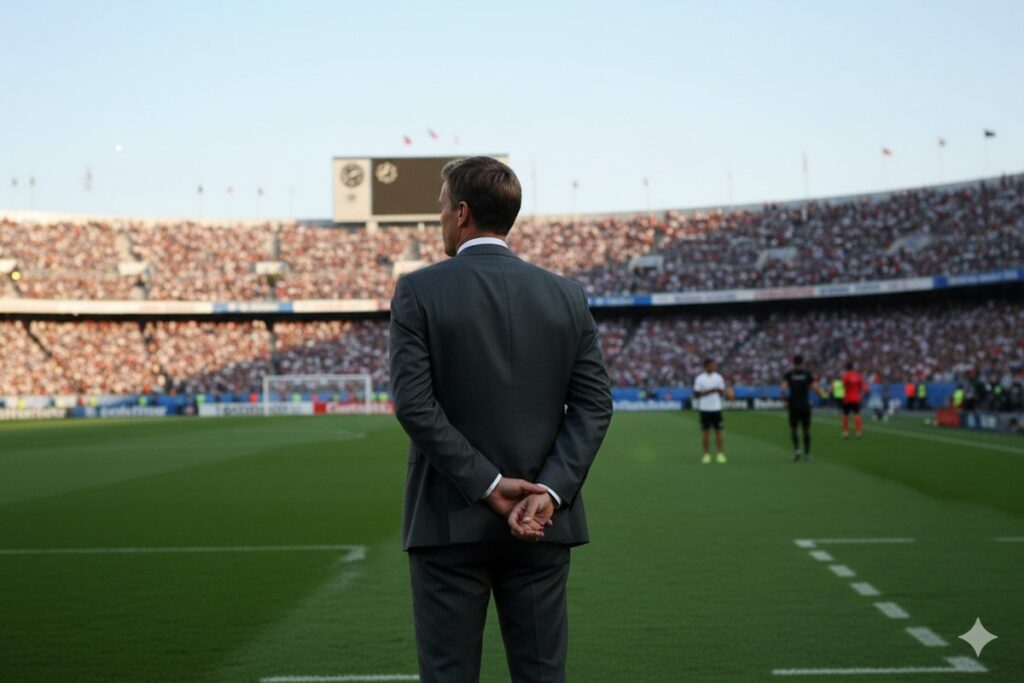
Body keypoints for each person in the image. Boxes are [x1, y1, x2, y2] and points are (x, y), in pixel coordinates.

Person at [389, 156, 613, 683]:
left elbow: (415, 405)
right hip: (542, 521)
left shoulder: (418, 290)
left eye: (441, 207)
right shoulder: (566, 294)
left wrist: (488, 485)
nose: (440, 218)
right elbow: (594, 404)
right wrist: (551, 491)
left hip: (448, 519)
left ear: (462, 213)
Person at [781, 354, 824, 462]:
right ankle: (807, 454)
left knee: (793, 429)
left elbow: (783, 388)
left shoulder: (789, 374)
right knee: (807, 429)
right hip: (805, 405)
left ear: (793, 362)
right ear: (802, 362)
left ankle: (797, 450)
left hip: (794, 405)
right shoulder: (807, 374)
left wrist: (785, 401)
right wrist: (821, 394)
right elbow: (816, 387)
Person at [693, 358, 727, 463]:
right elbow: (696, 394)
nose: (713, 367)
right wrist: (709, 391)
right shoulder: (700, 378)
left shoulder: (718, 377)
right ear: (706, 366)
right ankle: (706, 454)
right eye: (711, 365)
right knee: (705, 433)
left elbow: (722, 392)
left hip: (716, 408)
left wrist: (719, 391)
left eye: (714, 365)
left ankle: (720, 454)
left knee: (719, 431)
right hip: (704, 408)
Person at [841, 361, 869, 439]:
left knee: (845, 415)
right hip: (856, 398)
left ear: (846, 368)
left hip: (847, 398)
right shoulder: (857, 375)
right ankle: (858, 432)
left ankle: (846, 432)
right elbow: (863, 386)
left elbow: (843, 385)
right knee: (857, 414)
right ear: (852, 367)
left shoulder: (846, 375)